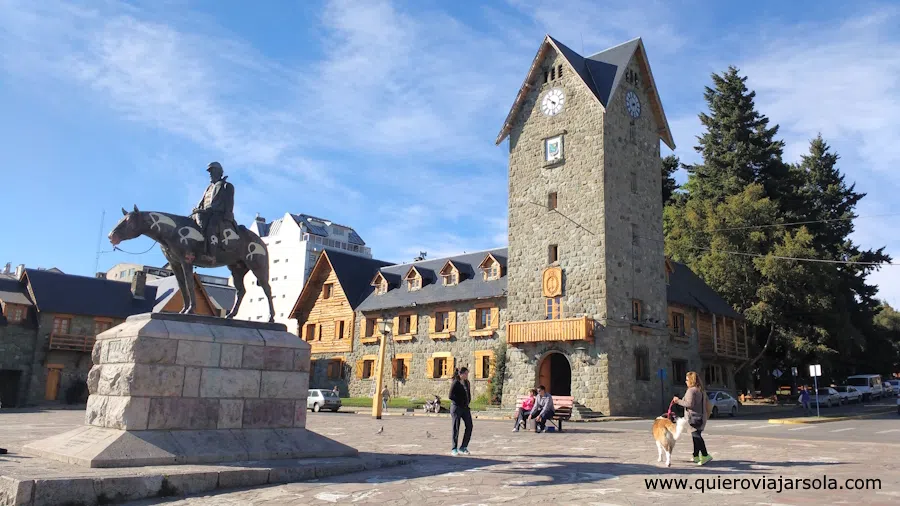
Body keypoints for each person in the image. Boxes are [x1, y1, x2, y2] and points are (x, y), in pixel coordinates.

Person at [192, 161, 235, 261]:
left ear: (219, 172)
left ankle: (211, 254)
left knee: (212, 226)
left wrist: (227, 214)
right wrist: (197, 209)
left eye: (213, 171)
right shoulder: (208, 188)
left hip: (218, 214)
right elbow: (202, 201)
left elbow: (229, 203)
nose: (210, 174)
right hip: (205, 213)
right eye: (210, 172)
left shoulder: (226, 186)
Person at [673, 371, 712, 465]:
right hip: (701, 416)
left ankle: (705, 455)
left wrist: (678, 401)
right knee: (695, 436)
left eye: (687, 379)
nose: (685, 381)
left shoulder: (691, 390)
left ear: (691, 380)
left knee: (696, 436)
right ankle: (695, 456)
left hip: (693, 418)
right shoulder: (700, 390)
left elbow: (689, 404)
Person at [449, 367, 473, 455]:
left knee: (469, 426)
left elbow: (468, 394)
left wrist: (467, 402)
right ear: (461, 374)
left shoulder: (467, 383)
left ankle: (463, 447)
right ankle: (454, 448)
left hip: (465, 408)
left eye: (467, 374)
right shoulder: (456, 382)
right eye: (465, 374)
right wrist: (459, 402)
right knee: (456, 427)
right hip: (456, 407)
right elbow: (450, 396)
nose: (467, 375)